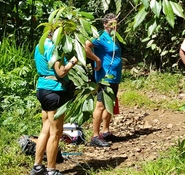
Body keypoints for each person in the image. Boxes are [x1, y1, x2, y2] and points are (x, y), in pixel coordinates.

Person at [30, 31, 78, 175]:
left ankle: (37, 166)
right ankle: (51, 169)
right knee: (56, 132)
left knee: (45, 129)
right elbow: (61, 72)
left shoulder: (41, 45)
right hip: (54, 91)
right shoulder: (53, 48)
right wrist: (73, 61)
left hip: (42, 88)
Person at [85, 13, 122, 147]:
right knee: (100, 105)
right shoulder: (100, 36)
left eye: (116, 23)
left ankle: (106, 132)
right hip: (105, 77)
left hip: (114, 76)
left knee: (110, 103)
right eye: (111, 23)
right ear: (105, 24)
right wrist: (97, 60)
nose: (115, 25)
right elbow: (86, 46)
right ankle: (95, 135)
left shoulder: (114, 37)